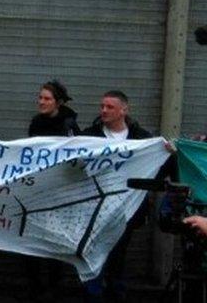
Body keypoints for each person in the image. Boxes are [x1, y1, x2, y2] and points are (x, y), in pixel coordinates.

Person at [80, 90, 151, 302]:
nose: (103, 110)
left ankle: (115, 294)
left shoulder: (142, 139)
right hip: (94, 209)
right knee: (91, 256)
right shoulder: (90, 136)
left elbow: (158, 168)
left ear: (124, 110)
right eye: (102, 106)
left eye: (109, 107)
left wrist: (166, 152)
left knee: (118, 258)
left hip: (125, 211)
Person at [24, 79, 79, 301]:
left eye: (46, 98)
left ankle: (54, 289)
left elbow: (78, 154)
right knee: (32, 239)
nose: (41, 102)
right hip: (38, 189)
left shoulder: (69, 125)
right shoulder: (36, 122)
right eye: (40, 98)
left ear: (58, 102)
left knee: (54, 241)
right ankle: (35, 288)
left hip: (60, 191)